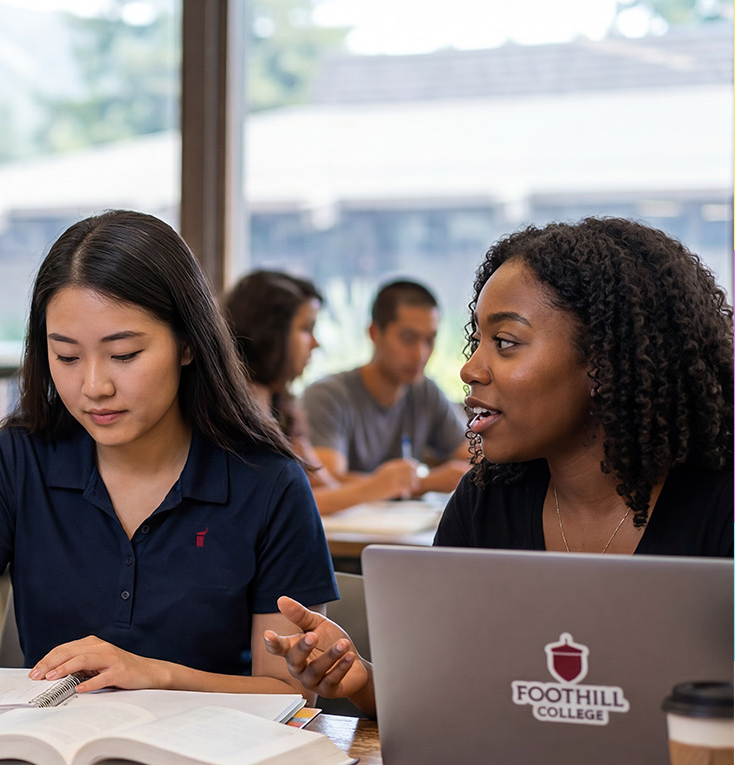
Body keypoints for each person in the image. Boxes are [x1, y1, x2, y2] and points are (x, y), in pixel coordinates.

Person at [264, 217, 734, 717]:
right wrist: (363, 681)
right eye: (478, 341)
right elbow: (450, 701)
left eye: (506, 342)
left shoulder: (719, 505)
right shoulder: (485, 501)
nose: (470, 369)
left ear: (604, 361)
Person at [0, 210, 338, 701]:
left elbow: (289, 694)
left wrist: (154, 674)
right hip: (47, 760)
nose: (93, 387)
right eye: (66, 356)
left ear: (187, 344)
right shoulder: (18, 459)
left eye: (124, 355)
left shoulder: (269, 483)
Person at [223, 270, 424, 514]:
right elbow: (281, 505)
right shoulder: (230, 413)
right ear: (269, 333)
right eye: (307, 328)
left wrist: (383, 484)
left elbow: (320, 482)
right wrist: (374, 487)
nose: (315, 343)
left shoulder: (280, 407)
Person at [302, 279, 471, 496]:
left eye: (429, 340)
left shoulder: (426, 392)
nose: (421, 354)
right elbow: (327, 481)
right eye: (408, 339)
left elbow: (471, 459)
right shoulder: (328, 396)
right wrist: (426, 482)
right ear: (374, 333)